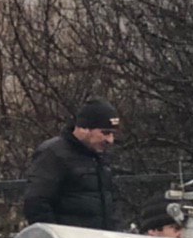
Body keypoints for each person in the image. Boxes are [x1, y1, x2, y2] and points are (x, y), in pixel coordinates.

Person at [22, 98, 121, 229]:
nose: (110, 140)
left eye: (112, 134)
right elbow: (37, 202)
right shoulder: (54, 153)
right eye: (105, 133)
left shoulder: (100, 157)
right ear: (85, 128)